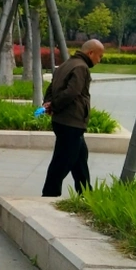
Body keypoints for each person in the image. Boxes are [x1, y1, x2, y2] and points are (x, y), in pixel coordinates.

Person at [40, 39, 105, 197]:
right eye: (99, 56)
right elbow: (72, 92)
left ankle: (86, 194)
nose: (99, 60)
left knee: (80, 159)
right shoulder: (81, 67)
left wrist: (49, 103)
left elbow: (51, 88)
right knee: (63, 161)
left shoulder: (66, 65)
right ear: (90, 53)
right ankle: (49, 194)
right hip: (71, 122)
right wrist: (54, 105)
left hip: (64, 121)